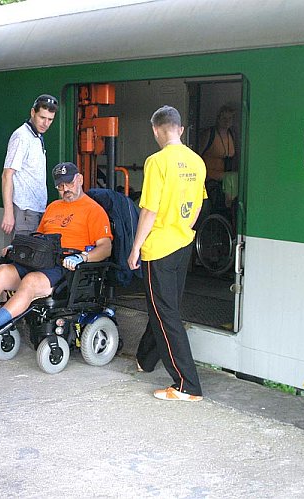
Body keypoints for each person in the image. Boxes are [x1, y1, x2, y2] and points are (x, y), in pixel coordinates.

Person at [0, 162, 112, 337]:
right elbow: (38, 238)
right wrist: (17, 248)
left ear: (80, 179)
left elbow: (106, 247)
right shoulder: (53, 207)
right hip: (41, 259)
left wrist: (84, 257)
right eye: (60, 186)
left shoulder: (94, 210)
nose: (65, 189)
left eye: (69, 183)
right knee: (3, 271)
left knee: (30, 281)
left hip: (65, 267)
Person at [127, 105, 206, 402]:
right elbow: (198, 205)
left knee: (165, 313)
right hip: (183, 243)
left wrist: (135, 247)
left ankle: (187, 384)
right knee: (164, 307)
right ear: (180, 129)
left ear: (155, 130)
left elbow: (149, 209)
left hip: (158, 247)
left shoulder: (156, 162)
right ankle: (146, 359)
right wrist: (182, 228)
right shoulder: (197, 161)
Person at [1, 94, 58, 237]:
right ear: (33, 112)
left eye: (50, 119)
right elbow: (7, 174)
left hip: (36, 209)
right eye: (42, 118)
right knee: (23, 255)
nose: (46, 123)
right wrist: (8, 212)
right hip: (24, 210)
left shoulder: (37, 136)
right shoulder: (21, 136)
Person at [199, 104, 236, 215]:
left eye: (230, 118)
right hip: (209, 172)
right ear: (218, 119)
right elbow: (198, 154)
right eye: (224, 118)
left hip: (224, 173)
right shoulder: (209, 134)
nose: (227, 121)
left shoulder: (231, 135)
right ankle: (229, 207)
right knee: (232, 177)